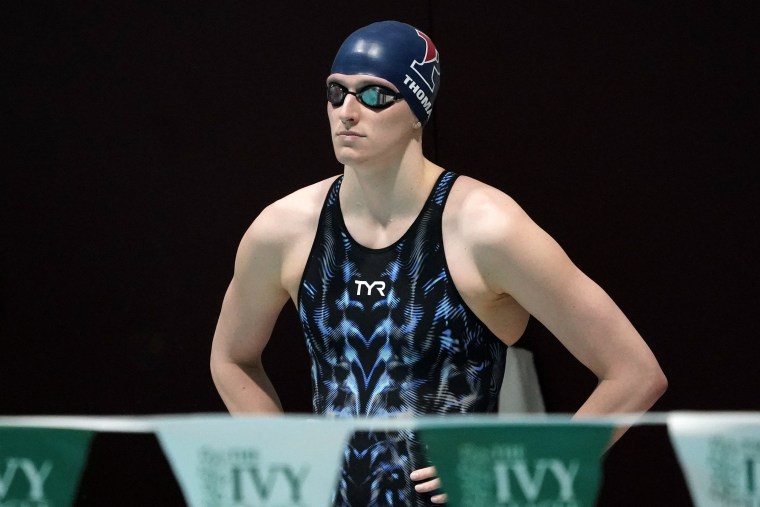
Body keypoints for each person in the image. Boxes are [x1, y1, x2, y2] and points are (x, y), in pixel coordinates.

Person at [210, 20, 667, 506]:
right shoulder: (284, 229)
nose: (347, 112)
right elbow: (230, 358)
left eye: (374, 96)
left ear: (417, 112)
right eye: (336, 92)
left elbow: (634, 374)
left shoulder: (486, 229)